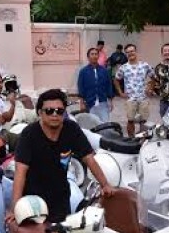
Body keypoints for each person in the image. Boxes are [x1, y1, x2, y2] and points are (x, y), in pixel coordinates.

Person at [10, 89, 114, 223]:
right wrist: (16, 208)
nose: (55, 114)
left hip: (60, 196)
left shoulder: (71, 129)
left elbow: (88, 158)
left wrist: (105, 184)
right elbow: (20, 172)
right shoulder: (29, 134)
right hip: (33, 201)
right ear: (40, 113)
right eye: (49, 111)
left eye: (59, 111)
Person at [115, 44, 153, 137]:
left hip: (143, 98)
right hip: (130, 99)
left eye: (132, 51)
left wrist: (150, 88)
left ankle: (143, 139)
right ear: (126, 54)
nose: (130, 53)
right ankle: (131, 139)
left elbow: (153, 77)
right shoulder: (123, 67)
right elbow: (116, 79)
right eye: (128, 52)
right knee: (130, 120)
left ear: (136, 51)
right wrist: (120, 93)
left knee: (143, 121)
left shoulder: (145, 65)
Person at [77, 47, 115, 122]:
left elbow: (109, 85)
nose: (94, 56)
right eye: (92, 54)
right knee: (92, 125)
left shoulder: (104, 70)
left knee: (104, 124)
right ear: (88, 57)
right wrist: (81, 103)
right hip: (89, 103)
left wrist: (111, 101)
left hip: (103, 102)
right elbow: (81, 87)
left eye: (96, 54)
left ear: (98, 56)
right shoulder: (83, 72)